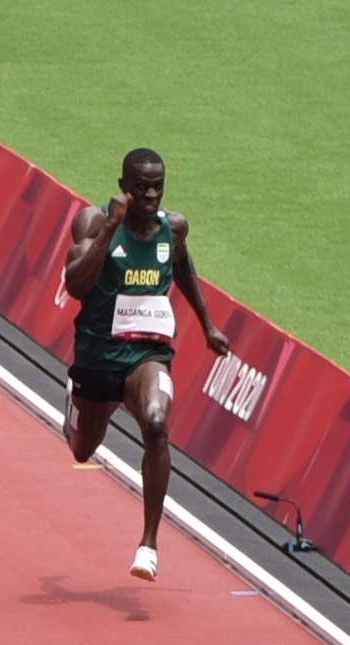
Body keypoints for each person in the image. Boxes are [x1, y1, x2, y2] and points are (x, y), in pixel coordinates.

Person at [63, 147, 228, 582]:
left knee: (156, 423)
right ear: (123, 187)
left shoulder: (173, 228)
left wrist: (208, 325)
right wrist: (110, 231)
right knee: (82, 449)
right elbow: (75, 285)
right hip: (98, 356)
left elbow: (183, 263)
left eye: (157, 186)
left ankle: (148, 544)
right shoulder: (94, 223)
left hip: (147, 353)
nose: (150, 194)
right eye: (141, 187)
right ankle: (73, 402)